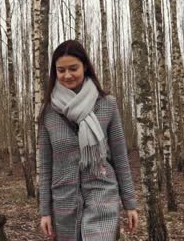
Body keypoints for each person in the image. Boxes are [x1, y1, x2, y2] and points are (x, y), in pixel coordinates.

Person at [38, 40, 139, 241]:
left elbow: (120, 158)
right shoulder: (49, 112)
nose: (67, 75)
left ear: (85, 66)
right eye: (61, 70)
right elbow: (46, 165)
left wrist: (130, 204)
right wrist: (45, 212)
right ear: (55, 73)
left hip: (102, 196)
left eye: (73, 68)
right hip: (64, 202)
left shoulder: (107, 105)